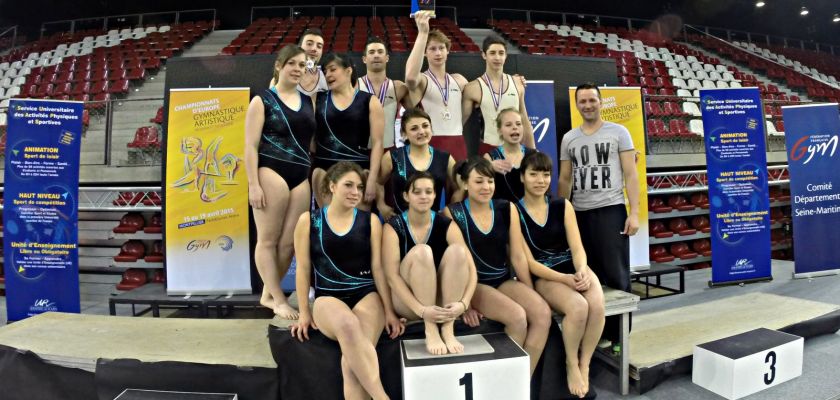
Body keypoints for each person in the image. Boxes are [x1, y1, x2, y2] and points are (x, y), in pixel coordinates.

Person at [291, 162, 403, 400]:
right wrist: (303, 311)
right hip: (328, 297)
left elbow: (378, 269)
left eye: (360, 187)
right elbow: (302, 268)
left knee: (351, 364)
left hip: (366, 294)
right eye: (348, 185)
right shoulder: (309, 221)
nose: (355, 192)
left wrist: (389, 311)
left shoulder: (370, 221)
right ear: (332, 186)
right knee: (348, 326)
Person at [444, 156, 551, 374]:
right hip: (474, 285)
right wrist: (466, 304)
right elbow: (457, 264)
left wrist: (529, 290)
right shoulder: (452, 213)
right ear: (465, 184)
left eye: (490, 181)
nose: (486, 187)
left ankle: (522, 382)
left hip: (502, 280)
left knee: (541, 313)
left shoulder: (506, 208)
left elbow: (518, 257)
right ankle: (503, 380)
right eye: (479, 181)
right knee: (517, 318)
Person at [516, 151, 605, 398]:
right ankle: (570, 363)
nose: (540, 180)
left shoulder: (562, 205)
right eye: (533, 174)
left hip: (572, 267)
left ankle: (585, 362)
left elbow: (577, 247)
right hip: (546, 274)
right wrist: (564, 279)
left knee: (596, 305)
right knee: (578, 307)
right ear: (522, 177)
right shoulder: (516, 211)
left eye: (545, 175)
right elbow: (530, 263)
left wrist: (581, 270)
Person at [558, 82, 640, 348]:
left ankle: (619, 339)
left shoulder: (619, 132)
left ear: (600, 102)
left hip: (611, 210)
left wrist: (634, 213)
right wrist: (562, 212)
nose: (588, 105)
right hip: (580, 213)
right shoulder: (569, 138)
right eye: (582, 101)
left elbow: (631, 174)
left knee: (616, 275)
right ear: (577, 105)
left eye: (592, 100)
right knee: (589, 277)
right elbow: (565, 179)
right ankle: (597, 332)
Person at [245, 44, 315, 319]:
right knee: (268, 240)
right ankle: (277, 298)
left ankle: (268, 292)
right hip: (271, 171)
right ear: (279, 66)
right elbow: (250, 146)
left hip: (300, 176)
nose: (298, 69)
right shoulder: (262, 100)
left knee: (289, 244)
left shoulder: (306, 100)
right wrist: (253, 184)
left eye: (302, 65)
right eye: (292, 64)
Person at [382, 171, 477, 355]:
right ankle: (431, 328)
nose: (423, 197)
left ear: (435, 195)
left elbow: (471, 269)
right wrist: (423, 311)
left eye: (428, 192)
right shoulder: (393, 227)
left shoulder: (446, 224)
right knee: (422, 251)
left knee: (458, 251)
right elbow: (391, 277)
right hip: (408, 304)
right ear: (406, 196)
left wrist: (464, 304)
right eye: (417, 192)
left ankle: (448, 329)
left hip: (442, 303)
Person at [311, 53, 384, 209]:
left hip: (358, 169)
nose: (328, 74)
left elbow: (378, 143)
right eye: (325, 71)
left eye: (332, 69)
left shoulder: (370, 101)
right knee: (329, 224)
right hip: (324, 169)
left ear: (348, 70)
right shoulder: (318, 98)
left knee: (358, 227)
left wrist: (372, 179)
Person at [405, 10, 469, 160]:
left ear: (448, 51)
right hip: (432, 143)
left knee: (460, 183)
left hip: (458, 142)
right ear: (425, 53)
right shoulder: (423, 80)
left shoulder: (460, 80)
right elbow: (410, 78)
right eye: (432, 49)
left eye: (441, 48)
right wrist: (422, 34)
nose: (438, 53)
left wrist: (516, 80)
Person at [377, 108, 458, 220]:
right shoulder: (392, 157)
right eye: (414, 128)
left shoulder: (445, 158)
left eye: (425, 126)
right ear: (404, 134)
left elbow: (459, 188)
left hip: (434, 223)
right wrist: (381, 205)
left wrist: (450, 209)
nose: (421, 131)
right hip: (399, 222)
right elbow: (378, 183)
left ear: (431, 129)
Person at [461, 34, 534, 156]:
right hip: (488, 149)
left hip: (515, 149)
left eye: (501, 53)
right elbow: (459, 124)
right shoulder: (473, 88)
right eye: (492, 53)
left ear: (506, 56)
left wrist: (533, 151)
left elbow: (524, 120)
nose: (497, 57)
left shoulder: (517, 83)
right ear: (484, 55)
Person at [357, 36, 411, 150]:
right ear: (364, 59)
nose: (376, 55)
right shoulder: (354, 86)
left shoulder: (399, 87)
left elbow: (414, 115)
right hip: (360, 151)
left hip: (389, 150)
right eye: (371, 52)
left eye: (380, 52)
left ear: (387, 58)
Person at [483, 107, 532, 202]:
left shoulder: (533, 155)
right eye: (508, 125)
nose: (515, 127)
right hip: (501, 212)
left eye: (518, 124)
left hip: (527, 212)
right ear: (499, 131)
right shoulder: (490, 157)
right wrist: (488, 167)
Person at [270, 28, 327, 96]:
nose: (314, 49)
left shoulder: (327, 76)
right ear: (300, 47)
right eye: (309, 44)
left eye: (319, 46)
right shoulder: (279, 80)